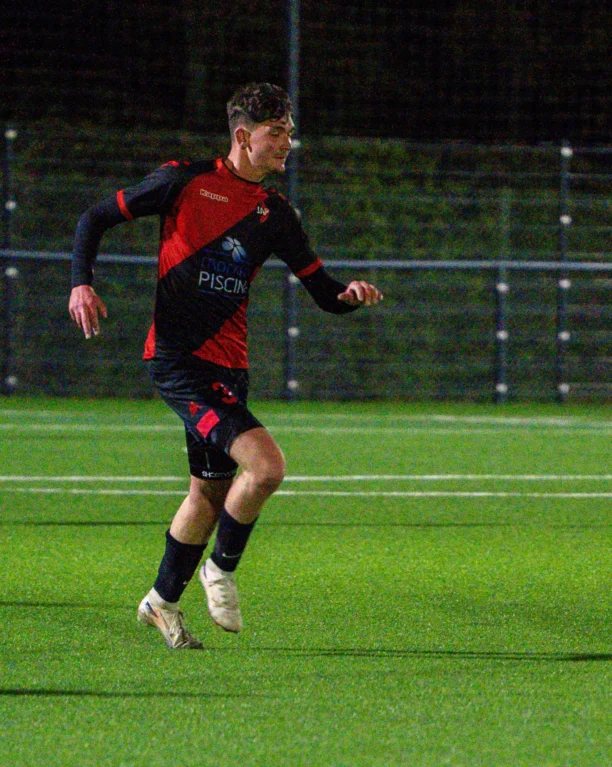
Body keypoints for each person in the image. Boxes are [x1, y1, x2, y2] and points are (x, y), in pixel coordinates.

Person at [68, 82, 383, 650]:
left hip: (230, 368)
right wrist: (80, 284)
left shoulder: (276, 214)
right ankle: (221, 568)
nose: (287, 142)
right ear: (243, 136)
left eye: (290, 131)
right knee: (265, 468)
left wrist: (350, 295)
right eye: (276, 132)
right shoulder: (182, 181)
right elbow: (94, 219)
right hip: (179, 362)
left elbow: (322, 290)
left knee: (209, 495)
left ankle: (161, 603)